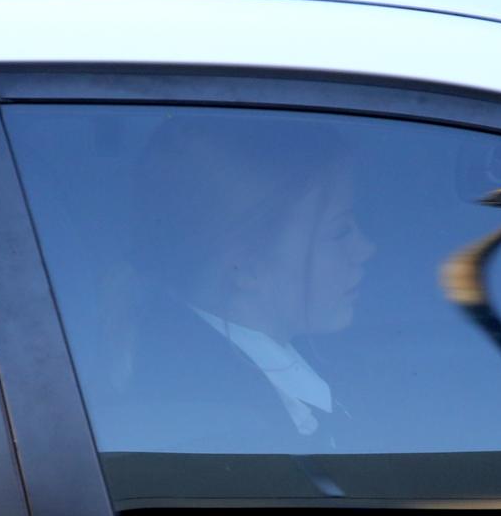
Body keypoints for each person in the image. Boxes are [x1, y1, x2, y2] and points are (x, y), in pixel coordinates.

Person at [94, 112, 375, 455]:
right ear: (246, 268)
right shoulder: (229, 432)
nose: (366, 248)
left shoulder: (221, 370)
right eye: (339, 230)